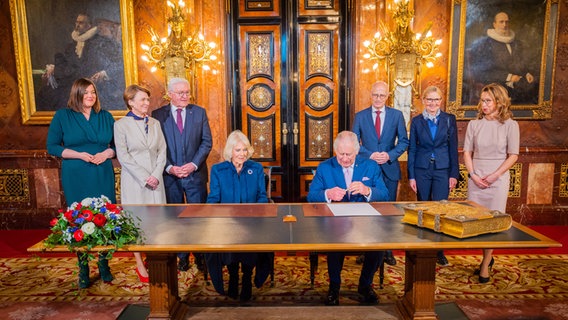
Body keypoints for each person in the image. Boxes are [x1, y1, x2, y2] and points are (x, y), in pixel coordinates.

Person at [46, 78, 116, 288]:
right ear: (76, 94)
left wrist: (106, 153)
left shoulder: (105, 116)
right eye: (85, 92)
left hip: (102, 170)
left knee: (105, 216)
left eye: (93, 92)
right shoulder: (63, 116)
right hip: (76, 172)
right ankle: (83, 267)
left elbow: (116, 146)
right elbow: (52, 146)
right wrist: (79, 155)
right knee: (78, 219)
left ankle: (104, 263)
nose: (90, 96)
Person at [307, 131, 390, 306]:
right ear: (335, 151)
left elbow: (385, 194)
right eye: (341, 154)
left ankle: (365, 285)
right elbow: (311, 196)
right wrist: (327, 194)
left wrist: (367, 190)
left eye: (349, 154)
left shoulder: (371, 166)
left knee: (379, 245)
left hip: (365, 221)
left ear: (357, 152)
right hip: (334, 222)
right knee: (335, 243)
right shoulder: (325, 167)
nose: (344, 159)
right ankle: (334, 287)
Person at [152, 77, 213, 272]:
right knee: (175, 219)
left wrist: (193, 165)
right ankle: (182, 256)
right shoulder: (158, 116)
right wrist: (169, 167)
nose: (186, 96)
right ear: (170, 94)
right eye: (181, 93)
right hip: (170, 178)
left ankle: (201, 256)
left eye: (187, 92)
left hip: (195, 177)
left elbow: (206, 142)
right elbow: (155, 147)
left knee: (198, 218)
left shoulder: (199, 113)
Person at [463, 83, 520, 283]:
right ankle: (486, 256)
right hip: (477, 178)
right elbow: (467, 152)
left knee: (493, 223)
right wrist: (473, 174)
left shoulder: (511, 125)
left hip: (498, 179)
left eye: (488, 100)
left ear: (499, 102)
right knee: (477, 222)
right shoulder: (474, 124)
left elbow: (513, 155)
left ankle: (486, 262)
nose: (483, 104)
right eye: (482, 100)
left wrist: (495, 175)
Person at [205, 130, 270, 301]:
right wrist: (212, 216)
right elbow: (214, 198)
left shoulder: (256, 168)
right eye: (238, 150)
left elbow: (262, 196)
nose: (242, 154)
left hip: (252, 221)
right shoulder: (219, 170)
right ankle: (233, 277)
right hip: (227, 222)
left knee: (253, 238)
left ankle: (247, 278)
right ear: (230, 151)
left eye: (244, 150)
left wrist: (257, 213)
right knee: (227, 237)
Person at [352, 81, 409, 266]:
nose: (378, 99)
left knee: (388, 210)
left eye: (382, 95)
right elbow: (354, 142)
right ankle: (364, 248)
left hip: (389, 168)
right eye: (375, 95)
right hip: (367, 168)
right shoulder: (360, 116)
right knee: (366, 210)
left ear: (387, 96)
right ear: (371, 95)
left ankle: (387, 250)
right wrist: (370, 154)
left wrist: (389, 155)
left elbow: (404, 142)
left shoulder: (396, 115)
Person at [114, 85, 167, 283]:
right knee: (137, 222)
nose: (147, 103)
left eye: (147, 99)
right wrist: (145, 177)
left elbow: (162, 151)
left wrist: (155, 174)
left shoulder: (155, 123)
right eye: (142, 99)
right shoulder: (120, 125)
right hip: (135, 181)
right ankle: (139, 263)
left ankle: (157, 260)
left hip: (156, 179)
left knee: (157, 221)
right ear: (130, 102)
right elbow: (123, 156)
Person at [407, 86, 459, 266]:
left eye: (436, 100)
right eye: (429, 99)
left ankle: (438, 250)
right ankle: (422, 247)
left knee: (440, 210)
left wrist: (454, 174)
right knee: (424, 209)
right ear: (423, 100)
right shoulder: (416, 121)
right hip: (421, 170)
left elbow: (453, 148)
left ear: (441, 101)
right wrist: (411, 176)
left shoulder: (449, 120)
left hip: (442, 170)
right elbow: (412, 149)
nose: (433, 103)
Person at [37, 13, 125, 111]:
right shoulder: (72, 45)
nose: (77, 25)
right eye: (76, 22)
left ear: (89, 26)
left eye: (81, 23)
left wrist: (104, 73)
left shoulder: (100, 43)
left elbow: (118, 64)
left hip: (94, 86)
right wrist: (54, 70)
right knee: (46, 94)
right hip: (74, 82)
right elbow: (69, 66)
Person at [468, 11, 538, 104]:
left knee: (535, 86)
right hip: (496, 82)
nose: (505, 25)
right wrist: (509, 77)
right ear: (494, 24)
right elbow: (482, 72)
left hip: (517, 81)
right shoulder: (486, 44)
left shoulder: (516, 43)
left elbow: (519, 63)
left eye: (507, 22)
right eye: (501, 22)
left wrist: (527, 73)